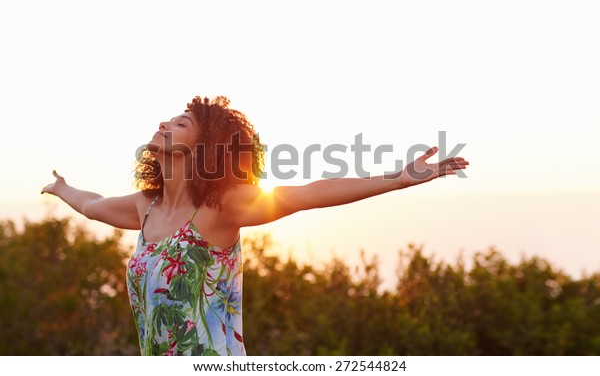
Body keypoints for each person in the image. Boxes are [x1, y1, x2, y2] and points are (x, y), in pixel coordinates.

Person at [41, 95, 469, 356]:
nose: (164, 124)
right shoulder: (145, 208)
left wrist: (398, 179)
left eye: (180, 123)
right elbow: (93, 205)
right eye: (168, 120)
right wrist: (62, 189)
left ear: (205, 147)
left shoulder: (221, 207)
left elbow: (307, 194)